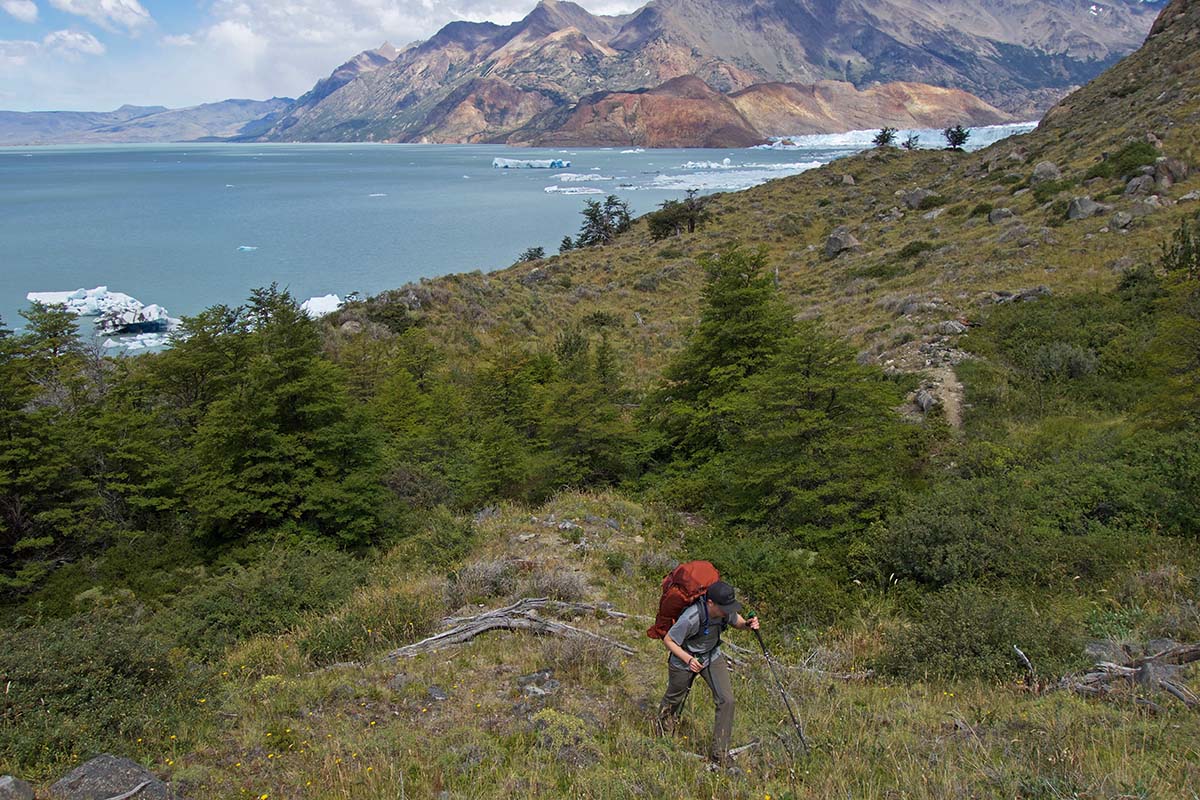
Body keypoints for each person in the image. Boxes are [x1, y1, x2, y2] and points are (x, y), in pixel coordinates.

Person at [657, 580, 760, 764]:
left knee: (727, 700)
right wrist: (688, 659)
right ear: (710, 603)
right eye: (725, 608)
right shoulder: (692, 617)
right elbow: (669, 640)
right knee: (674, 699)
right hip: (684, 659)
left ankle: (719, 754)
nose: (728, 611)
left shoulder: (724, 611)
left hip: (711, 656)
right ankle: (663, 739)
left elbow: (737, 621)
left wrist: (748, 625)